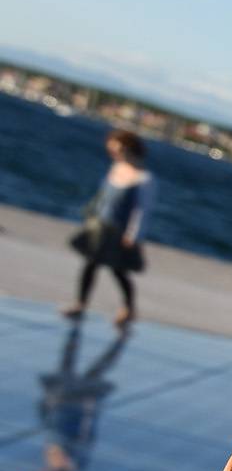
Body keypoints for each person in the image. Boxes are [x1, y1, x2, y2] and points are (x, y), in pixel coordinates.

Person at [24, 319, 131, 471]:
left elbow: (51, 428)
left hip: (60, 401)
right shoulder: (74, 463)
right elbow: (87, 434)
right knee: (96, 369)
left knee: (68, 362)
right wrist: (89, 408)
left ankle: (77, 325)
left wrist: (44, 406)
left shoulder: (52, 459)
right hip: (78, 402)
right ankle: (121, 337)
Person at [65, 127, 152, 326]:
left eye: (116, 150)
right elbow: (103, 197)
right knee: (91, 264)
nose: (113, 153)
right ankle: (81, 303)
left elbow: (142, 211)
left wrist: (133, 235)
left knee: (118, 271)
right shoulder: (117, 168)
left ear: (128, 149)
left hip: (120, 233)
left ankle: (129, 308)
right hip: (101, 226)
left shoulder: (144, 178)